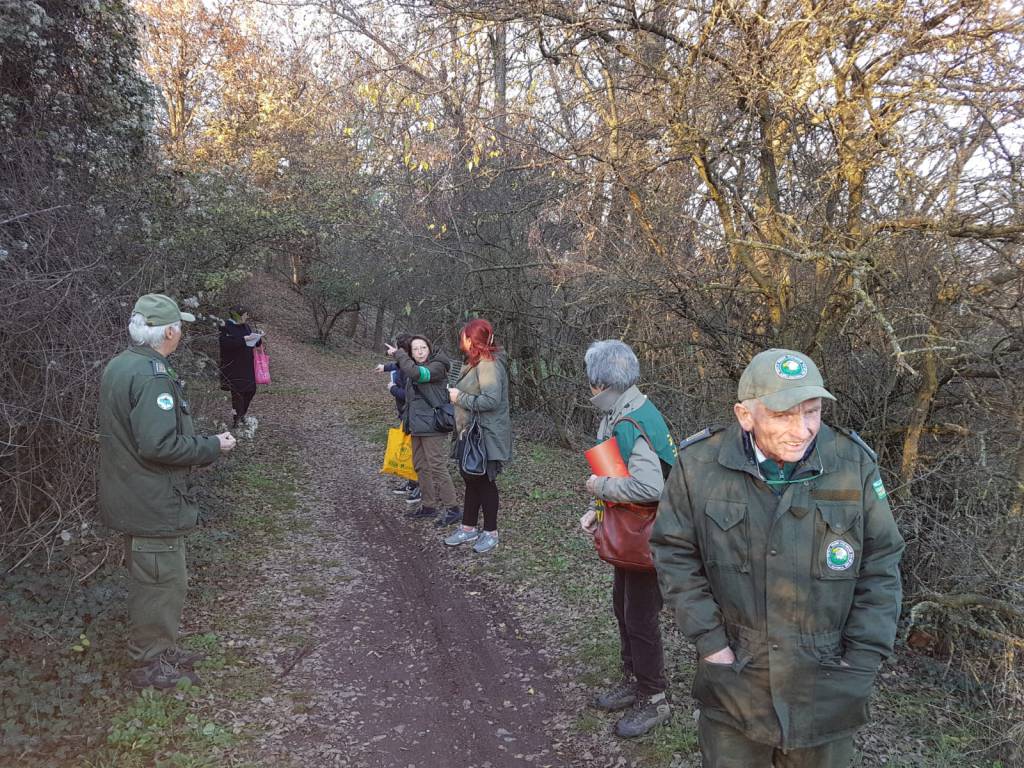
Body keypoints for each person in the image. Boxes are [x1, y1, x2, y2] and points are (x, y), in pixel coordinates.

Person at [649, 348, 905, 767]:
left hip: (826, 684)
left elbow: (882, 562)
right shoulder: (699, 466)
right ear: (745, 415)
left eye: (812, 412)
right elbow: (674, 553)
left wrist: (861, 659)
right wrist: (712, 645)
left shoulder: (852, 463)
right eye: (784, 415)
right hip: (737, 682)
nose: (802, 430)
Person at [98, 294, 237, 689]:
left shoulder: (123, 364)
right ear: (170, 331)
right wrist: (213, 445)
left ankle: (163, 649)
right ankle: (149, 665)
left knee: (159, 581)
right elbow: (158, 445)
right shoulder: (152, 375)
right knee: (159, 585)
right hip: (151, 500)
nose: (182, 332)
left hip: (132, 493)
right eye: (180, 326)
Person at [577, 340, 676, 737]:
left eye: (592, 383)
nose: (589, 390)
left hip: (651, 536)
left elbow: (650, 487)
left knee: (640, 616)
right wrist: (595, 511)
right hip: (631, 534)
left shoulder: (631, 421)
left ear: (605, 382)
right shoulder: (624, 412)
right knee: (624, 607)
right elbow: (619, 474)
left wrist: (596, 487)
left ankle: (654, 697)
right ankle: (633, 680)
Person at [443, 319, 512, 554]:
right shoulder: (476, 362)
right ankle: (468, 527)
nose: (461, 340)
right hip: (471, 433)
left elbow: (491, 400)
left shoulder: (489, 365)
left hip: (485, 436)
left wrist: (458, 398)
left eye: (464, 336)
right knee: (471, 479)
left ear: (472, 340)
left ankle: (491, 533)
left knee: (484, 482)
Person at [387, 335, 461, 525]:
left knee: (437, 466)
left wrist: (400, 354)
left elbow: (417, 374)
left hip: (433, 426)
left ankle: (453, 508)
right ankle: (428, 505)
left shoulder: (436, 367)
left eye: (423, 348)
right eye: (415, 349)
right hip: (417, 425)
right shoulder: (413, 365)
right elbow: (411, 397)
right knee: (420, 465)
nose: (419, 352)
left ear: (429, 348)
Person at [375, 334, 419, 503]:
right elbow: (398, 365)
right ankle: (412, 482)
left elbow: (409, 396)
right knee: (410, 449)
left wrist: (392, 389)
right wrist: (385, 367)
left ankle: (418, 486)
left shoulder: (412, 369)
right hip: (405, 414)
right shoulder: (405, 363)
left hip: (413, 415)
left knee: (416, 452)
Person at [218, 305, 263, 428]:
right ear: (238, 315)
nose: (247, 317)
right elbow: (225, 344)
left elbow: (254, 342)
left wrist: (258, 337)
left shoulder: (245, 326)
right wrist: (244, 340)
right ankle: (236, 420)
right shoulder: (226, 327)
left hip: (247, 365)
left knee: (250, 391)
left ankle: (242, 414)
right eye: (245, 315)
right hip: (233, 366)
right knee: (237, 394)